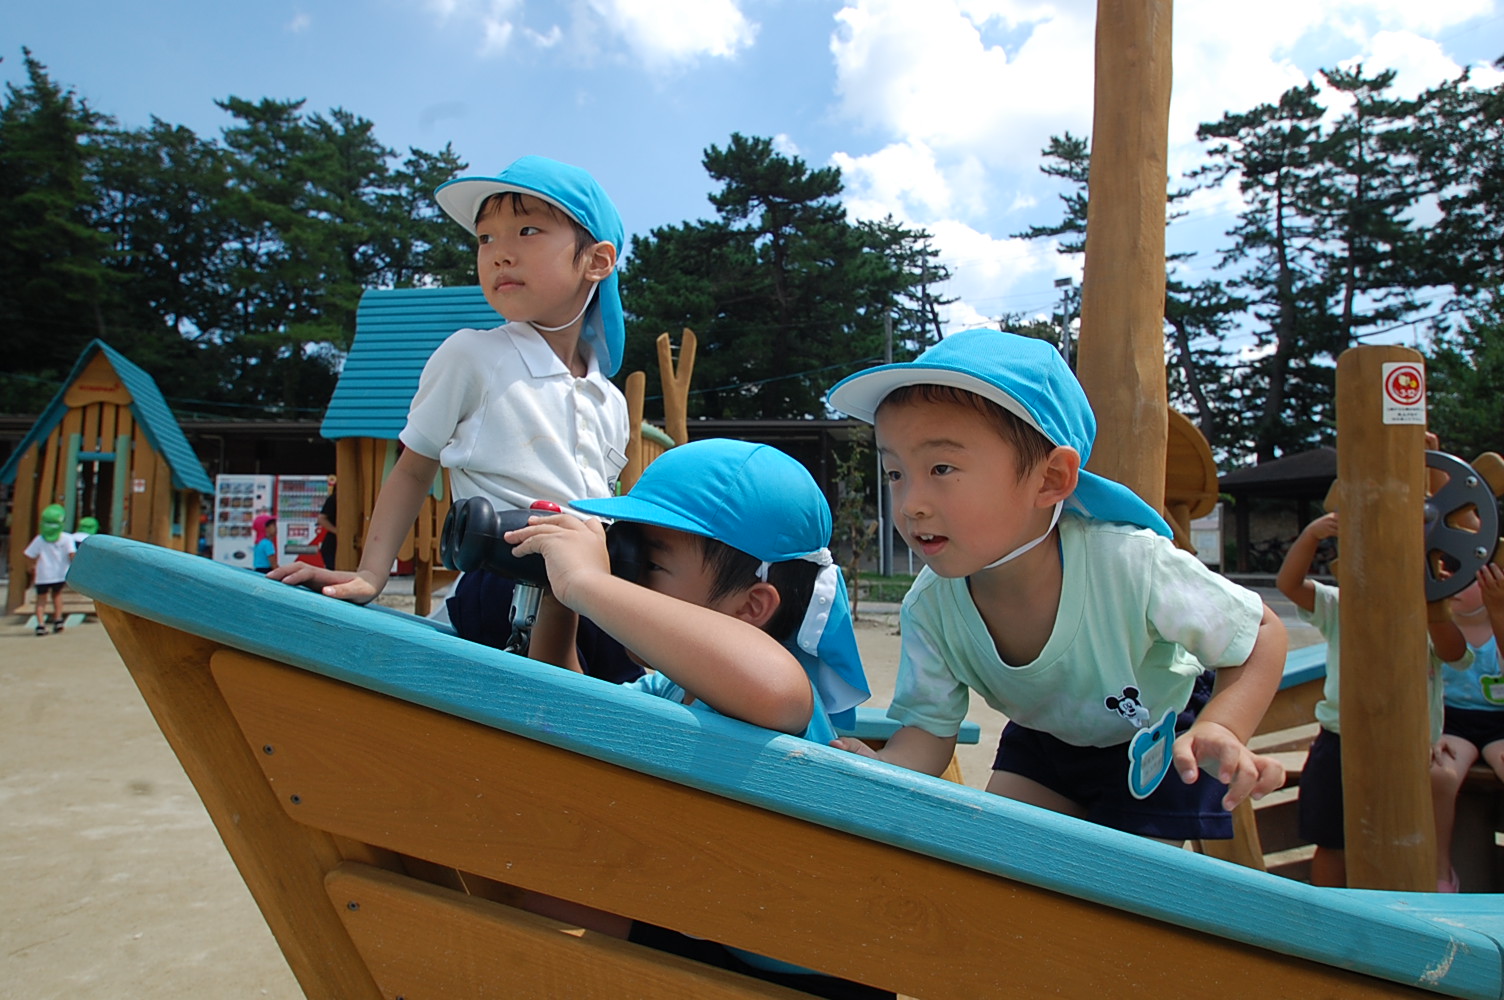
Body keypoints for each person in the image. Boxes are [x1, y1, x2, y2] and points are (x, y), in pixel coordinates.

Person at [823, 328, 1288, 843]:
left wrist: (1222, 727)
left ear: (1050, 480)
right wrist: (881, 767)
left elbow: (1261, 631)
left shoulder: (1129, 564)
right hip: (1047, 736)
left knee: (1134, 900)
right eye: (894, 473)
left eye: (941, 467)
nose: (911, 502)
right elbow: (928, 736)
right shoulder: (931, 606)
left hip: (1161, 733)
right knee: (1001, 861)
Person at [506, 439, 884, 999]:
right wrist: (563, 598)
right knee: (526, 881)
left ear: (752, 608)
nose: (628, 577)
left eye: (649, 562)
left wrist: (592, 583)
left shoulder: (775, 687)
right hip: (723, 933)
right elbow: (568, 713)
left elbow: (778, 690)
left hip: (813, 973)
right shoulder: (673, 686)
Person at [270, 156, 637, 681]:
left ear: (597, 262)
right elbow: (413, 467)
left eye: (527, 230)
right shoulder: (472, 355)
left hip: (597, 593)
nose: (500, 254)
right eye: (485, 239)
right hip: (510, 581)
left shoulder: (610, 399)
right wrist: (372, 575)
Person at [1276, 510, 1471, 889]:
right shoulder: (1340, 604)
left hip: (1408, 748)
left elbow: (1453, 653)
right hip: (1341, 740)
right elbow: (1289, 583)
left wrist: (1435, 606)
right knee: (1333, 843)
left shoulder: (1428, 615)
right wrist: (1312, 535)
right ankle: (1330, 921)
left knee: (1403, 842)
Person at [1433, 565, 1504, 890]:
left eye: (1469, 576)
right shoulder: (1440, 627)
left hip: (1500, 725)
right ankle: (1441, 871)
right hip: (1454, 721)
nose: (1452, 580)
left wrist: (1498, 610)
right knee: (1439, 774)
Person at [24, 504, 76, 636]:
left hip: (43, 574)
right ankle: (58, 620)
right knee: (57, 596)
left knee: (41, 599)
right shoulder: (67, 538)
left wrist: (31, 567)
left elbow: (29, 555)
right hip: (59, 574)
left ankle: (41, 625)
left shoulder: (40, 539)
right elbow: (72, 555)